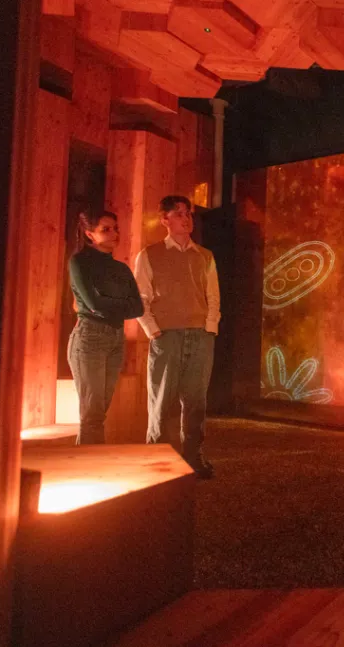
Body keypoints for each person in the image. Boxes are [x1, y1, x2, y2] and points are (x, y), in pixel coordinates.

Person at [134, 195, 221, 478]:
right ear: (165, 220)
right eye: (179, 213)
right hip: (166, 335)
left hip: (199, 335)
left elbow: (213, 295)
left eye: (189, 214)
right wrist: (153, 329)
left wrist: (209, 327)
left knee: (196, 400)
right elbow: (141, 297)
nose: (187, 219)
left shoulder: (204, 255)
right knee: (162, 399)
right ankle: (156, 458)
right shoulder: (149, 254)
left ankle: (192, 456)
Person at [67, 209, 144, 445]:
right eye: (106, 229)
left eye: (115, 228)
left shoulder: (121, 269)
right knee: (92, 413)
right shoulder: (80, 262)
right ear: (90, 234)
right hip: (90, 336)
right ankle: (87, 470)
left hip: (115, 337)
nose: (114, 233)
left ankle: (88, 466)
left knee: (99, 411)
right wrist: (119, 305)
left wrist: (107, 305)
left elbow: (138, 308)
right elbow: (93, 303)